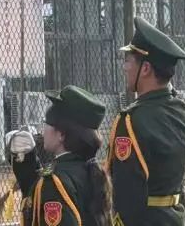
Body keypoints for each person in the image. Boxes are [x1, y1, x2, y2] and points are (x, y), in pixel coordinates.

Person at [107, 17, 185, 226]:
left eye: (129, 61)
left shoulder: (130, 121)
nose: (125, 67)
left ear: (145, 69)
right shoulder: (184, 112)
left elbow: (127, 194)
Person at [6, 86, 113, 226]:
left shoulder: (55, 182)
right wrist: (26, 164)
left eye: (46, 123)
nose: (43, 131)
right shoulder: (90, 170)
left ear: (61, 134)